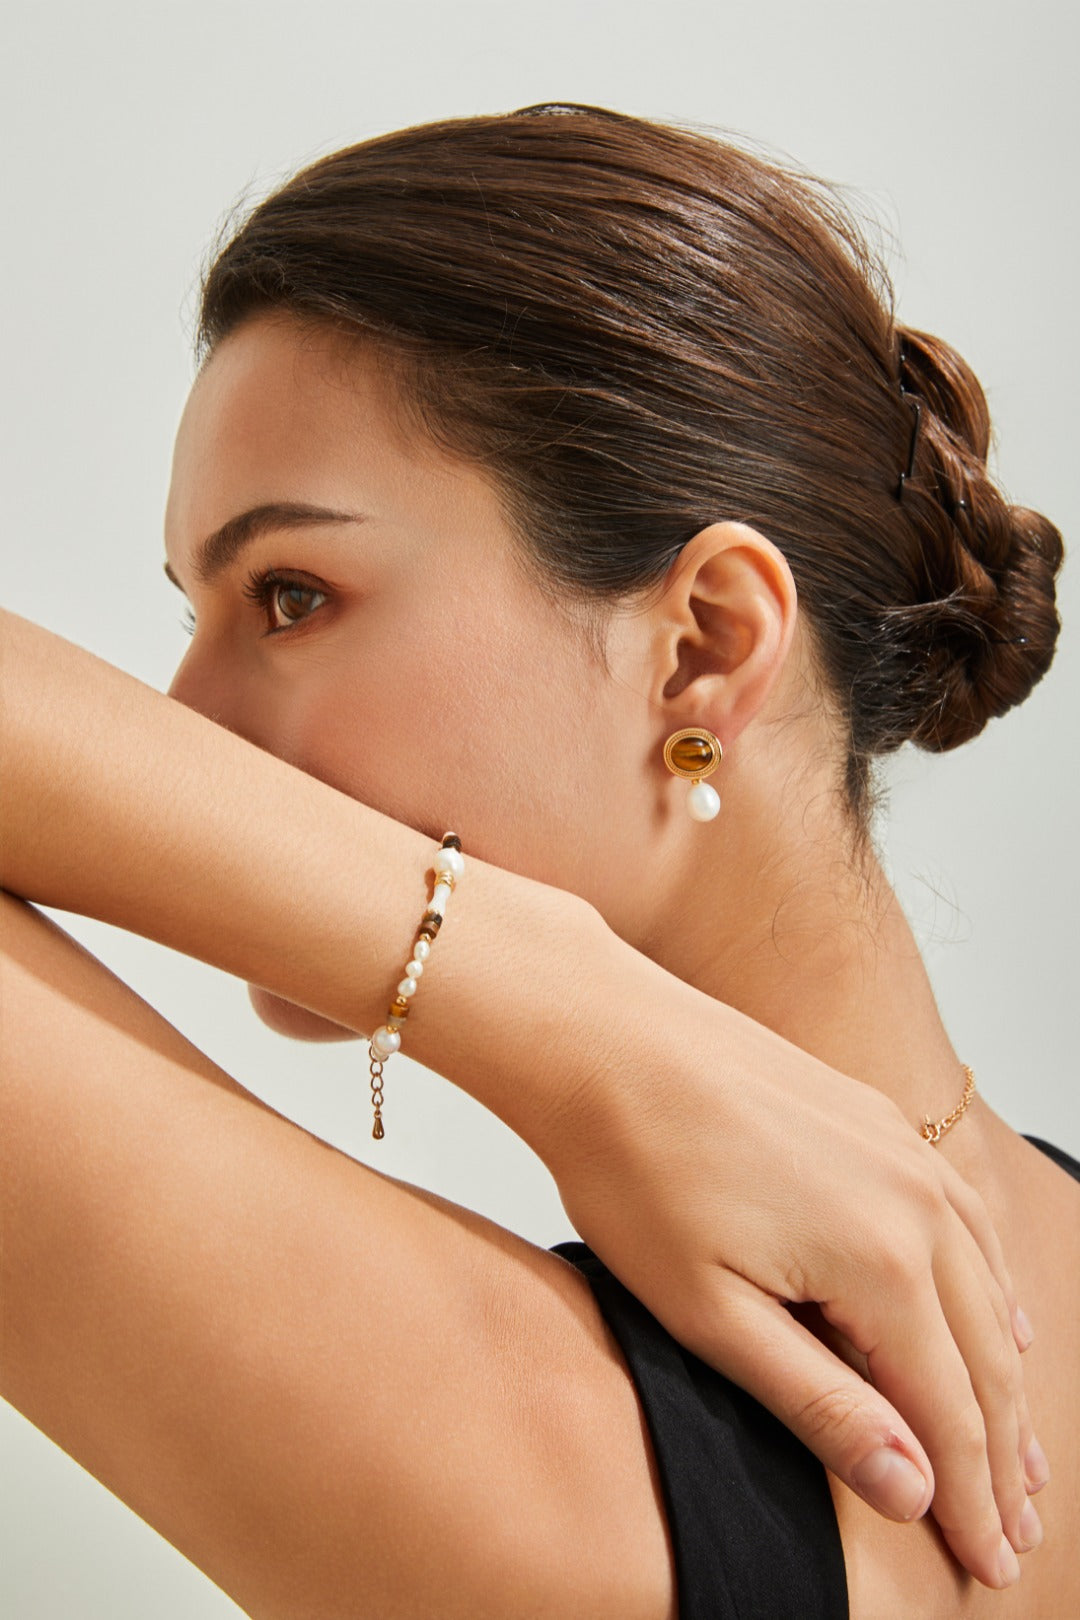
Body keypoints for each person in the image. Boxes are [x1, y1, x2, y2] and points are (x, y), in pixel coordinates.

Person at [1, 101, 1075, 1617]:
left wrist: (540, 998)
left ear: (704, 646)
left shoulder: (535, 1456)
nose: (182, 729)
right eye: (196, 611)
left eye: (291, 595)